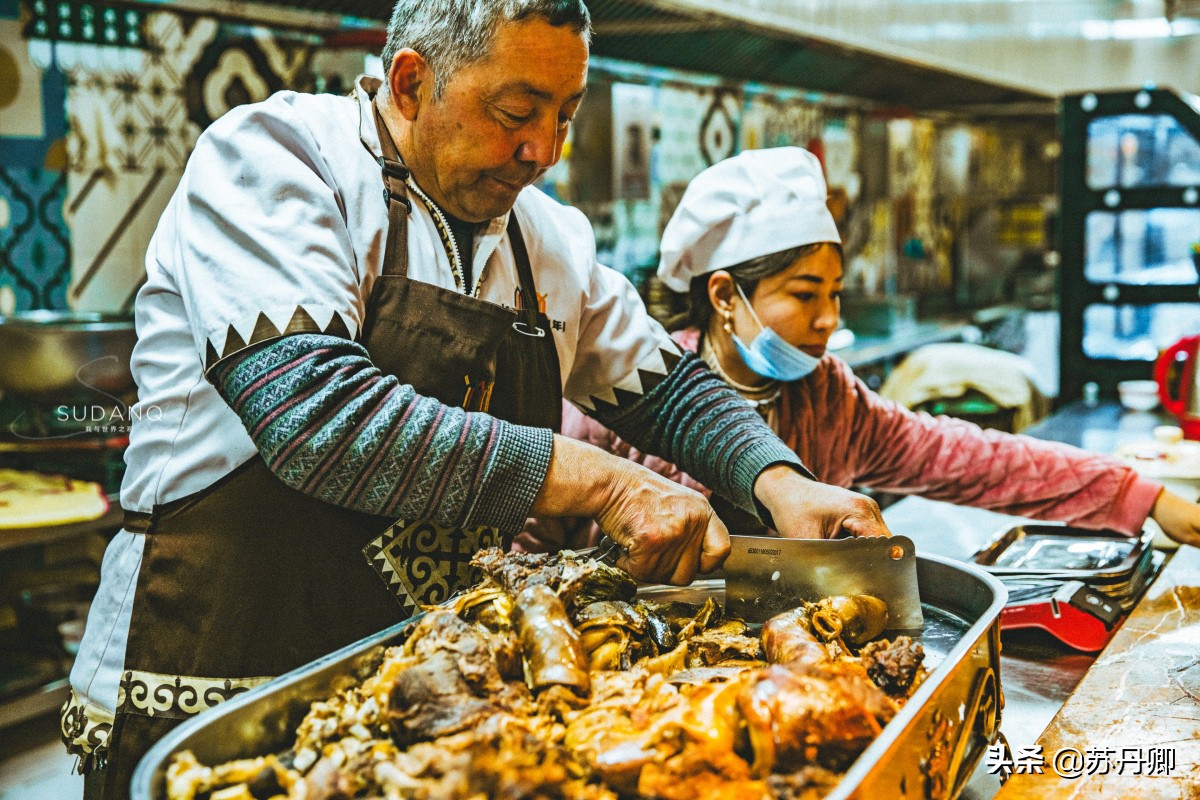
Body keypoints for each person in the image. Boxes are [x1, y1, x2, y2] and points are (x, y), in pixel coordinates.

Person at [62, 5, 894, 796]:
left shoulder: (543, 240)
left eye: (566, 114)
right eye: (516, 110)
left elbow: (665, 387)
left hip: (415, 710)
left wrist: (782, 482)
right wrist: (609, 483)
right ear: (411, 81)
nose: (545, 149)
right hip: (211, 691)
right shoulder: (274, 161)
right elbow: (317, 417)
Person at [519, 146, 1200, 552]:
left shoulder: (829, 400)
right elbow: (530, 536)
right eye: (805, 293)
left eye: (836, 295)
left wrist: (1141, 496)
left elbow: (975, 461)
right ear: (725, 296)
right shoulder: (631, 394)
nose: (827, 320)